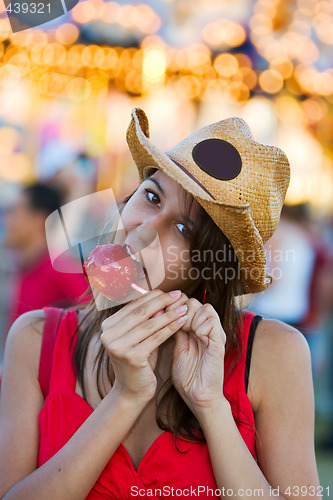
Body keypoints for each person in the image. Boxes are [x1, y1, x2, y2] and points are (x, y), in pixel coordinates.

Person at [0, 108, 321, 500]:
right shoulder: (36, 340)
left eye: (184, 229)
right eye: (151, 197)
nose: (145, 228)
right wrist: (125, 398)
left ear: (212, 267)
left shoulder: (276, 354)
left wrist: (211, 406)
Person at [1, 182, 89, 331]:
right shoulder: (21, 265)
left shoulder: (60, 268)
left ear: (38, 219)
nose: (7, 220)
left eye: (15, 212)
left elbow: (92, 318)